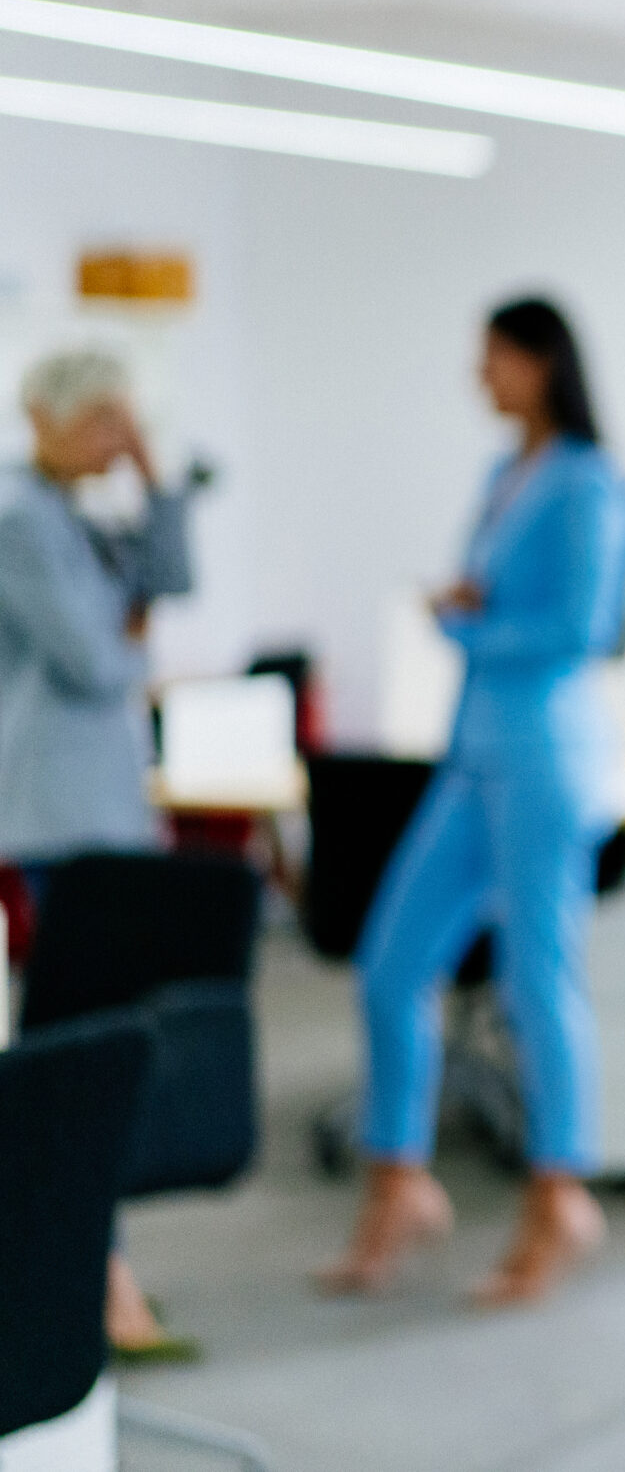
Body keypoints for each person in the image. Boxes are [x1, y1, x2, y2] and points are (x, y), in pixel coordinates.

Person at [319, 297, 625, 1307]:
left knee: (539, 981)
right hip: (473, 747)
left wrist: (464, 626)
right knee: (389, 966)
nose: (480, 376)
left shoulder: (589, 485)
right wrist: (469, 619)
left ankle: (558, 1195)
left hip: (544, 751)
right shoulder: (503, 474)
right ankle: (397, 1181)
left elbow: (584, 628)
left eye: (493, 357)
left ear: (542, 362)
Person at [0, 344, 201, 1361]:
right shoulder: (22, 520)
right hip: (52, 819)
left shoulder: (81, 512)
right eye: (100, 426)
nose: (109, 445)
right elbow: (93, 662)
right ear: (45, 416)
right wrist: (136, 644)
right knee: (74, 1054)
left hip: (108, 814)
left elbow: (171, 581)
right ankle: (94, 1276)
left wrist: (157, 479)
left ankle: (97, 1270)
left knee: (99, 1049)